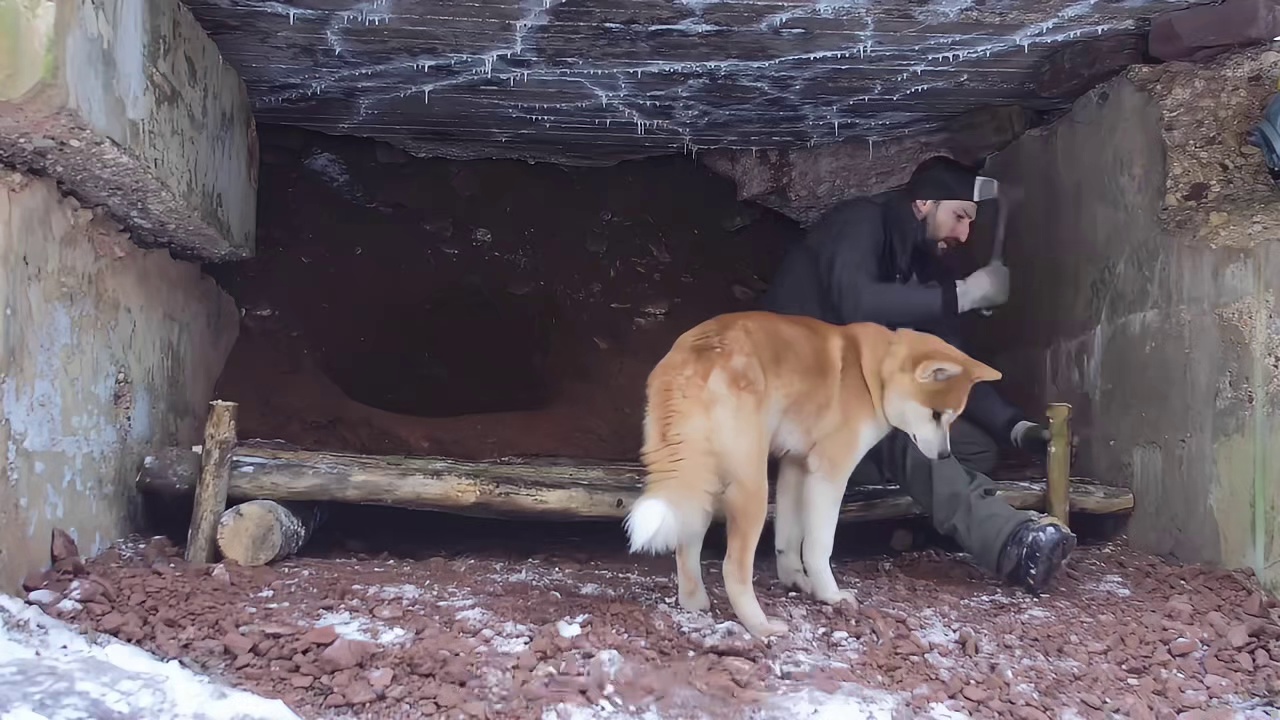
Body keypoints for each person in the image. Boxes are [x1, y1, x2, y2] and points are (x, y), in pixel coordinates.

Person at [759, 155, 1076, 594]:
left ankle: (917, 510)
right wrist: (960, 295)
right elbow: (858, 304)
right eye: (960, 216)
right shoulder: (859, 224)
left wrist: (1016, 429)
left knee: (974, 448)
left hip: (857, 411)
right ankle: (1011, 542)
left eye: (971, 223)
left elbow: (952, 365)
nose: (965, 234)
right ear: (923, 203)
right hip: (799, 394)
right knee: (904, 429)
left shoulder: (925, 266)